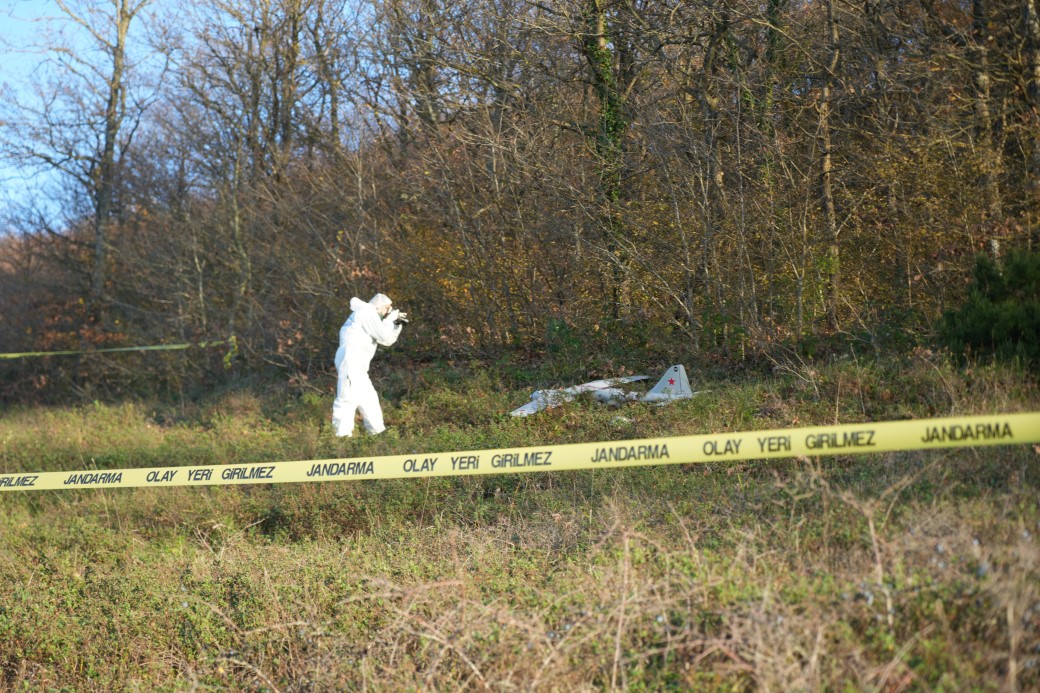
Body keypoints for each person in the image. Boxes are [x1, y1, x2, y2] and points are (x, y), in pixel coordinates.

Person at [332, 293, 405, 437]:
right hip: (350, 363)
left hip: (359, 368)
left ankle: (378, 433)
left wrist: (396, 325)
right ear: (379, 305)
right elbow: (383, 334)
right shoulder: (366, 312)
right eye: (387, 308)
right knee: (347, 399)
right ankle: (342, 437)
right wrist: (390, 319)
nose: (388, 311)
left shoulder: (370, 318)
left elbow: (387, 340)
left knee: (369, 399)